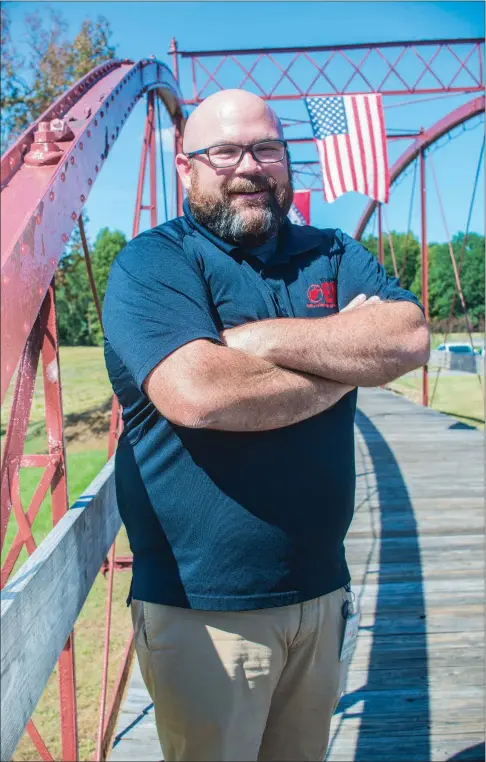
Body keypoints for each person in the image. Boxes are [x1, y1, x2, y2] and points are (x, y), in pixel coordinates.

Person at [102, 89, 429, 762]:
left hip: (321, 591)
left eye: (266, 148)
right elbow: (200, 394)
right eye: (224, 150)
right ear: (184, 162)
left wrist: (252, 341)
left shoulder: (330, 250)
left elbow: (406, 337)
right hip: (207, 610)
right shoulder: (154, 262)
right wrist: (345, 357)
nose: (249, 166)